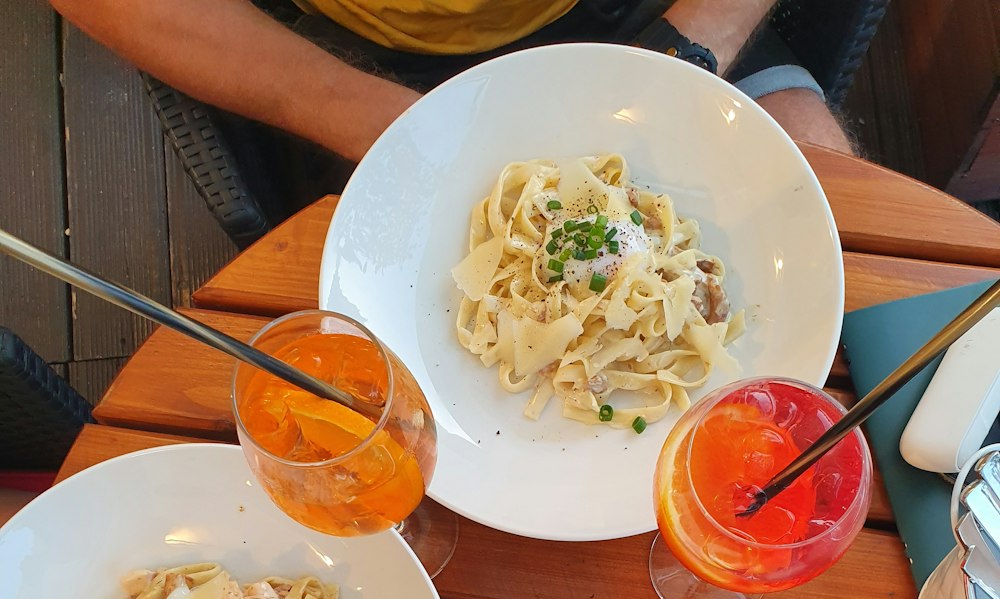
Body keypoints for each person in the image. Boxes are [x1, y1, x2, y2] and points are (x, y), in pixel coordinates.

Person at [50, 0, 852, 180]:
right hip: (349, 48)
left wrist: (687, 48)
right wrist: (357, 110)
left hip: (649, 10)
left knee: (821, 180)